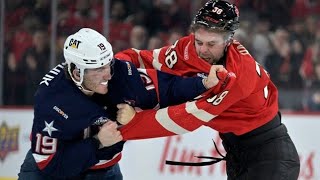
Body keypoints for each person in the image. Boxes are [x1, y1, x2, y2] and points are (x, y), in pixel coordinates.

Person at [115, 1, 300, 179]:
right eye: (199, 41)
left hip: (270, 154)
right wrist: (110, 68)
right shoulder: (187, 47)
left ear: (228, 41)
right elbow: (145, 59)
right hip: (236, 151)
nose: (202, 50)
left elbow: (188, 118)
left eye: (211, 44)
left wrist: (129, 126)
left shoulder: (239, 74)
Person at [18, 28, 231, 180]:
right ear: (76, 72)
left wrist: (204, 82)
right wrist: (98, 142)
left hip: (103, 170)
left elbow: (167, 88)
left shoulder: (120, 73)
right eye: (98, 69)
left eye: (107, 64)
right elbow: (50, 166)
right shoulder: (51, 99)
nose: (107, 74)